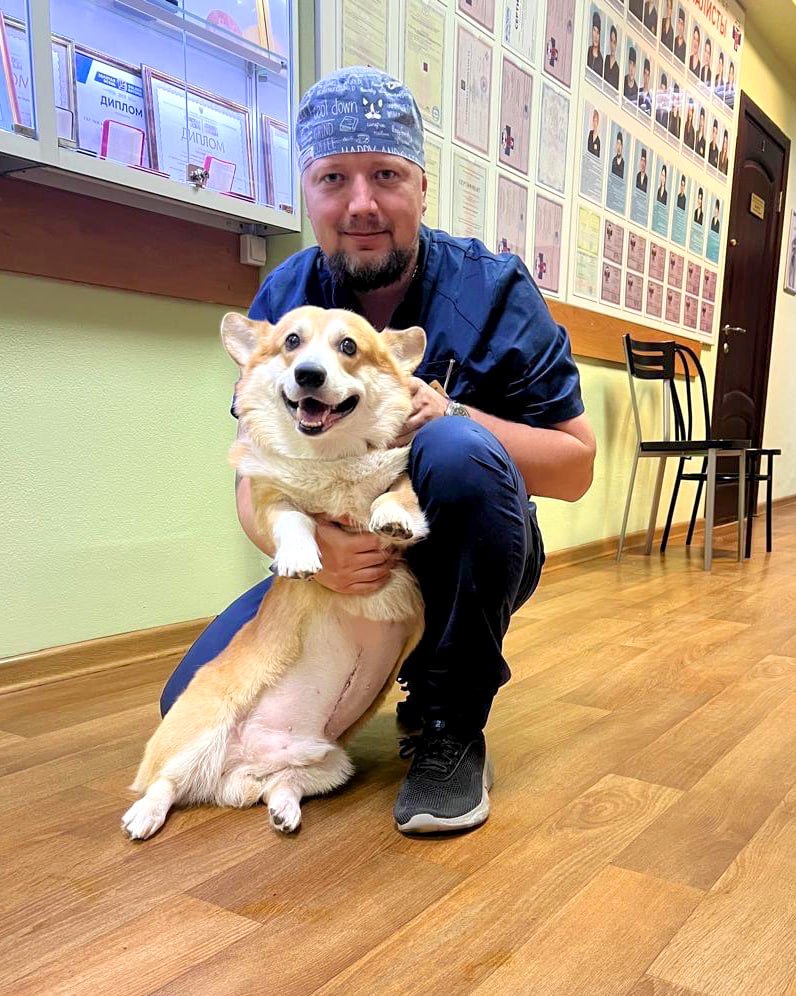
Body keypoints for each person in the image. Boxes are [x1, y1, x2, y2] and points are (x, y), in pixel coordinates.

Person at [159, 66, 595, 835]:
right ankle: (343, 695)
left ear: (422, 186)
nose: (361, 203)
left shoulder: (494, 290)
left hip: (465, 548)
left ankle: (448, 719)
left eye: (386, 175)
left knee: (454, 446)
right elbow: (252, 472)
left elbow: (576, 466)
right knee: (187, 707)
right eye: (334, 177)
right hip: (339, 556)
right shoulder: (287, 297)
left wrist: (450, 411)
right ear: (308, 194)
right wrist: (307, 551)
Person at [586, 11, 603, 76]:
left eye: (598, 32)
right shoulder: (588, 51)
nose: (596, 36)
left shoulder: (601, 60)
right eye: (594, 30)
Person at [603, 24, 620, 90]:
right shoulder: (606, 59)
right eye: (611, 41)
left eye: (614, 42)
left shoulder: (617, 69)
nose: (613, 46)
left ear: (616, 44)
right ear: (609, 42)